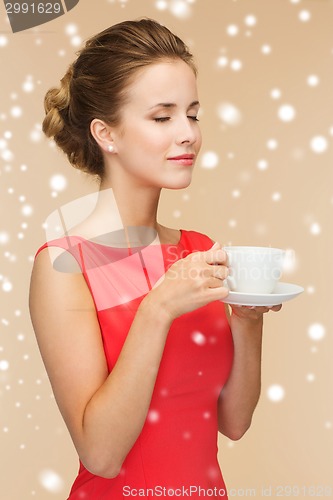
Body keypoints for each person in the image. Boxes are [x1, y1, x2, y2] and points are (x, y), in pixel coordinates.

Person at [29, 18, 281, 499]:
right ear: (107, 133)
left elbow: (234, 421)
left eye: (193, 113)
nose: (187, 133)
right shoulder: (64, 266)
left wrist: (248, 322)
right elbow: (100, 456)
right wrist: (158, 308)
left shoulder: (198, 249)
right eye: (162, 117)